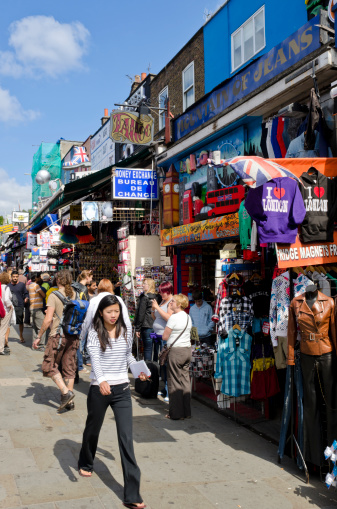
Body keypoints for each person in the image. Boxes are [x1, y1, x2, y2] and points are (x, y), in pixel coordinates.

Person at [78, 294, 146, 509]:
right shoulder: (93, 332)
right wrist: (101, 380)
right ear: (101, 312)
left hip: (123, 389)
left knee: (126, 438)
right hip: (100, 389)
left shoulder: (125, 330)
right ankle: (86, 461)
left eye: (116, 311)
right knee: (93, 429)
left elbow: (128, 356)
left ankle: (132, 494)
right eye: (109, 312)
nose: (114, 315)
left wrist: (138, 371)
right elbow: (95, 358)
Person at [32, 270, 79, 412]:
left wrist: (39, 336)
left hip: (57, 336)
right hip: (72, 335)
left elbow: (47, 320)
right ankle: (69, 402)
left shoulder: (53, 295)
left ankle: (66, 393)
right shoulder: (74, 294)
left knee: (49, 365)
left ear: (58, 280)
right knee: (69, 367)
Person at [162, 293, 192, 420]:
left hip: (176, 351)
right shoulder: (187, 317)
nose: (171, 303)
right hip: (186, 350)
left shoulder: (174, 318)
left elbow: (165, 336)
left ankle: (175, 413)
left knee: (174, 382)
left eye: (173, 301)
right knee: (185, 381)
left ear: (179, 304)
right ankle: (186, 412)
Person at [151, 281, 174, 400]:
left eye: (162, 292)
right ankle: (165, 389)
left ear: (168, 291)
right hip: (159, 335)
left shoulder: (171, 302)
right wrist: (153, 310)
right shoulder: (163, 301)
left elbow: (168, 318)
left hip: (166, 337)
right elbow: (157, 317)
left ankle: (168, 389)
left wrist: (157, 309)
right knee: (162, 363)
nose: (161, 294)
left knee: (166, 363)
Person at [134, 278, 161, 361]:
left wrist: (137, 328)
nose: (142, 285)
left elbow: (141, 313)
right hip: (156, 327)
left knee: (148, 348)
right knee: (156, 347)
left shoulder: (144, 297)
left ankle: (148, 368)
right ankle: (156, 367)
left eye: (144, 283)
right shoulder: (158, 297)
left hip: (147, 327)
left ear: (149, 285)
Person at [8, 270, 29, 343]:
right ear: (11, 277)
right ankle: (6, 337)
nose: (15, 278)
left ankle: (21, 335)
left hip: (19, 305)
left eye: (16, 277)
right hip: (10, 306)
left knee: (20, 322)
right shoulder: (8, 286)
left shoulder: (22, 285)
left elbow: (26, 293)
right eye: (13, 276)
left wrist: (26, 298)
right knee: (8, 323)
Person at [28, 275, 47, 350]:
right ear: (37, 278)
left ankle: (34, 344)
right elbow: (43, 295)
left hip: (32, 308)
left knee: (35, 327)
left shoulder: (30, 285)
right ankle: (41, 345)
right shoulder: (36, 286)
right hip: (37, 308)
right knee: (42, 326)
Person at [0, 272, 13, 356]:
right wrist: (11, 306)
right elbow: (6, 299)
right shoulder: (6, 288)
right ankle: (1, 349)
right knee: (3, 330)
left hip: (1, 310)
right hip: (5, 311)